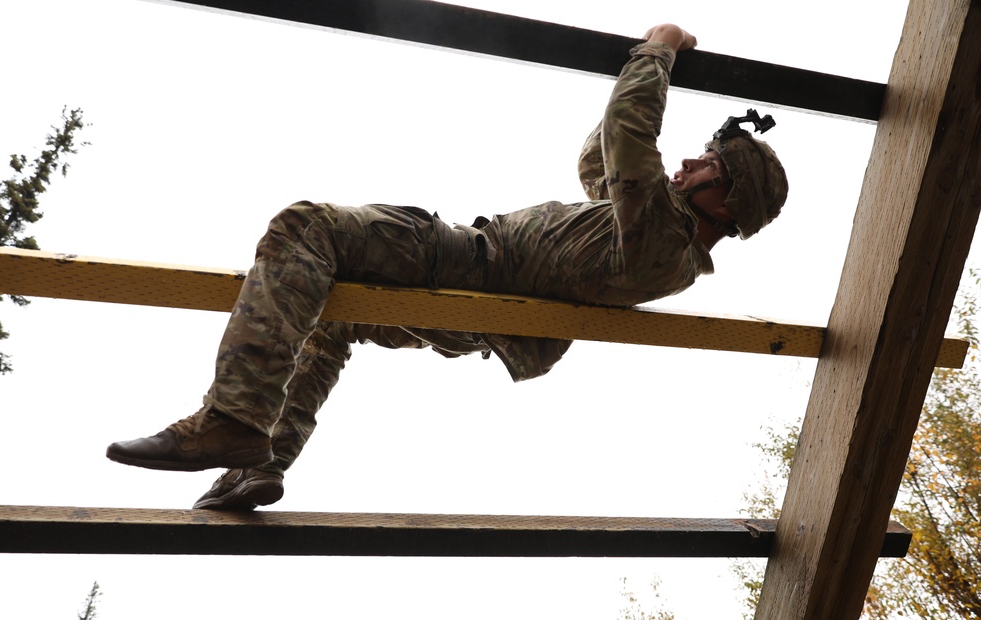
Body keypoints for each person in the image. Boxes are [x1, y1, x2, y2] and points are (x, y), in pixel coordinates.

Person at [106, 24, 788, 510]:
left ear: (727, 201)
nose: (690, 162)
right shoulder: (650, 236)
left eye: (709, 164)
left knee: (305, 226)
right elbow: (600, 158)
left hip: (472, 266)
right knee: (334, 320)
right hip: (480, 312)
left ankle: (233, 415)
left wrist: (657, 51)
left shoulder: (660, 245)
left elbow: (627, 132)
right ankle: (258, 464)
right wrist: (633, 91)